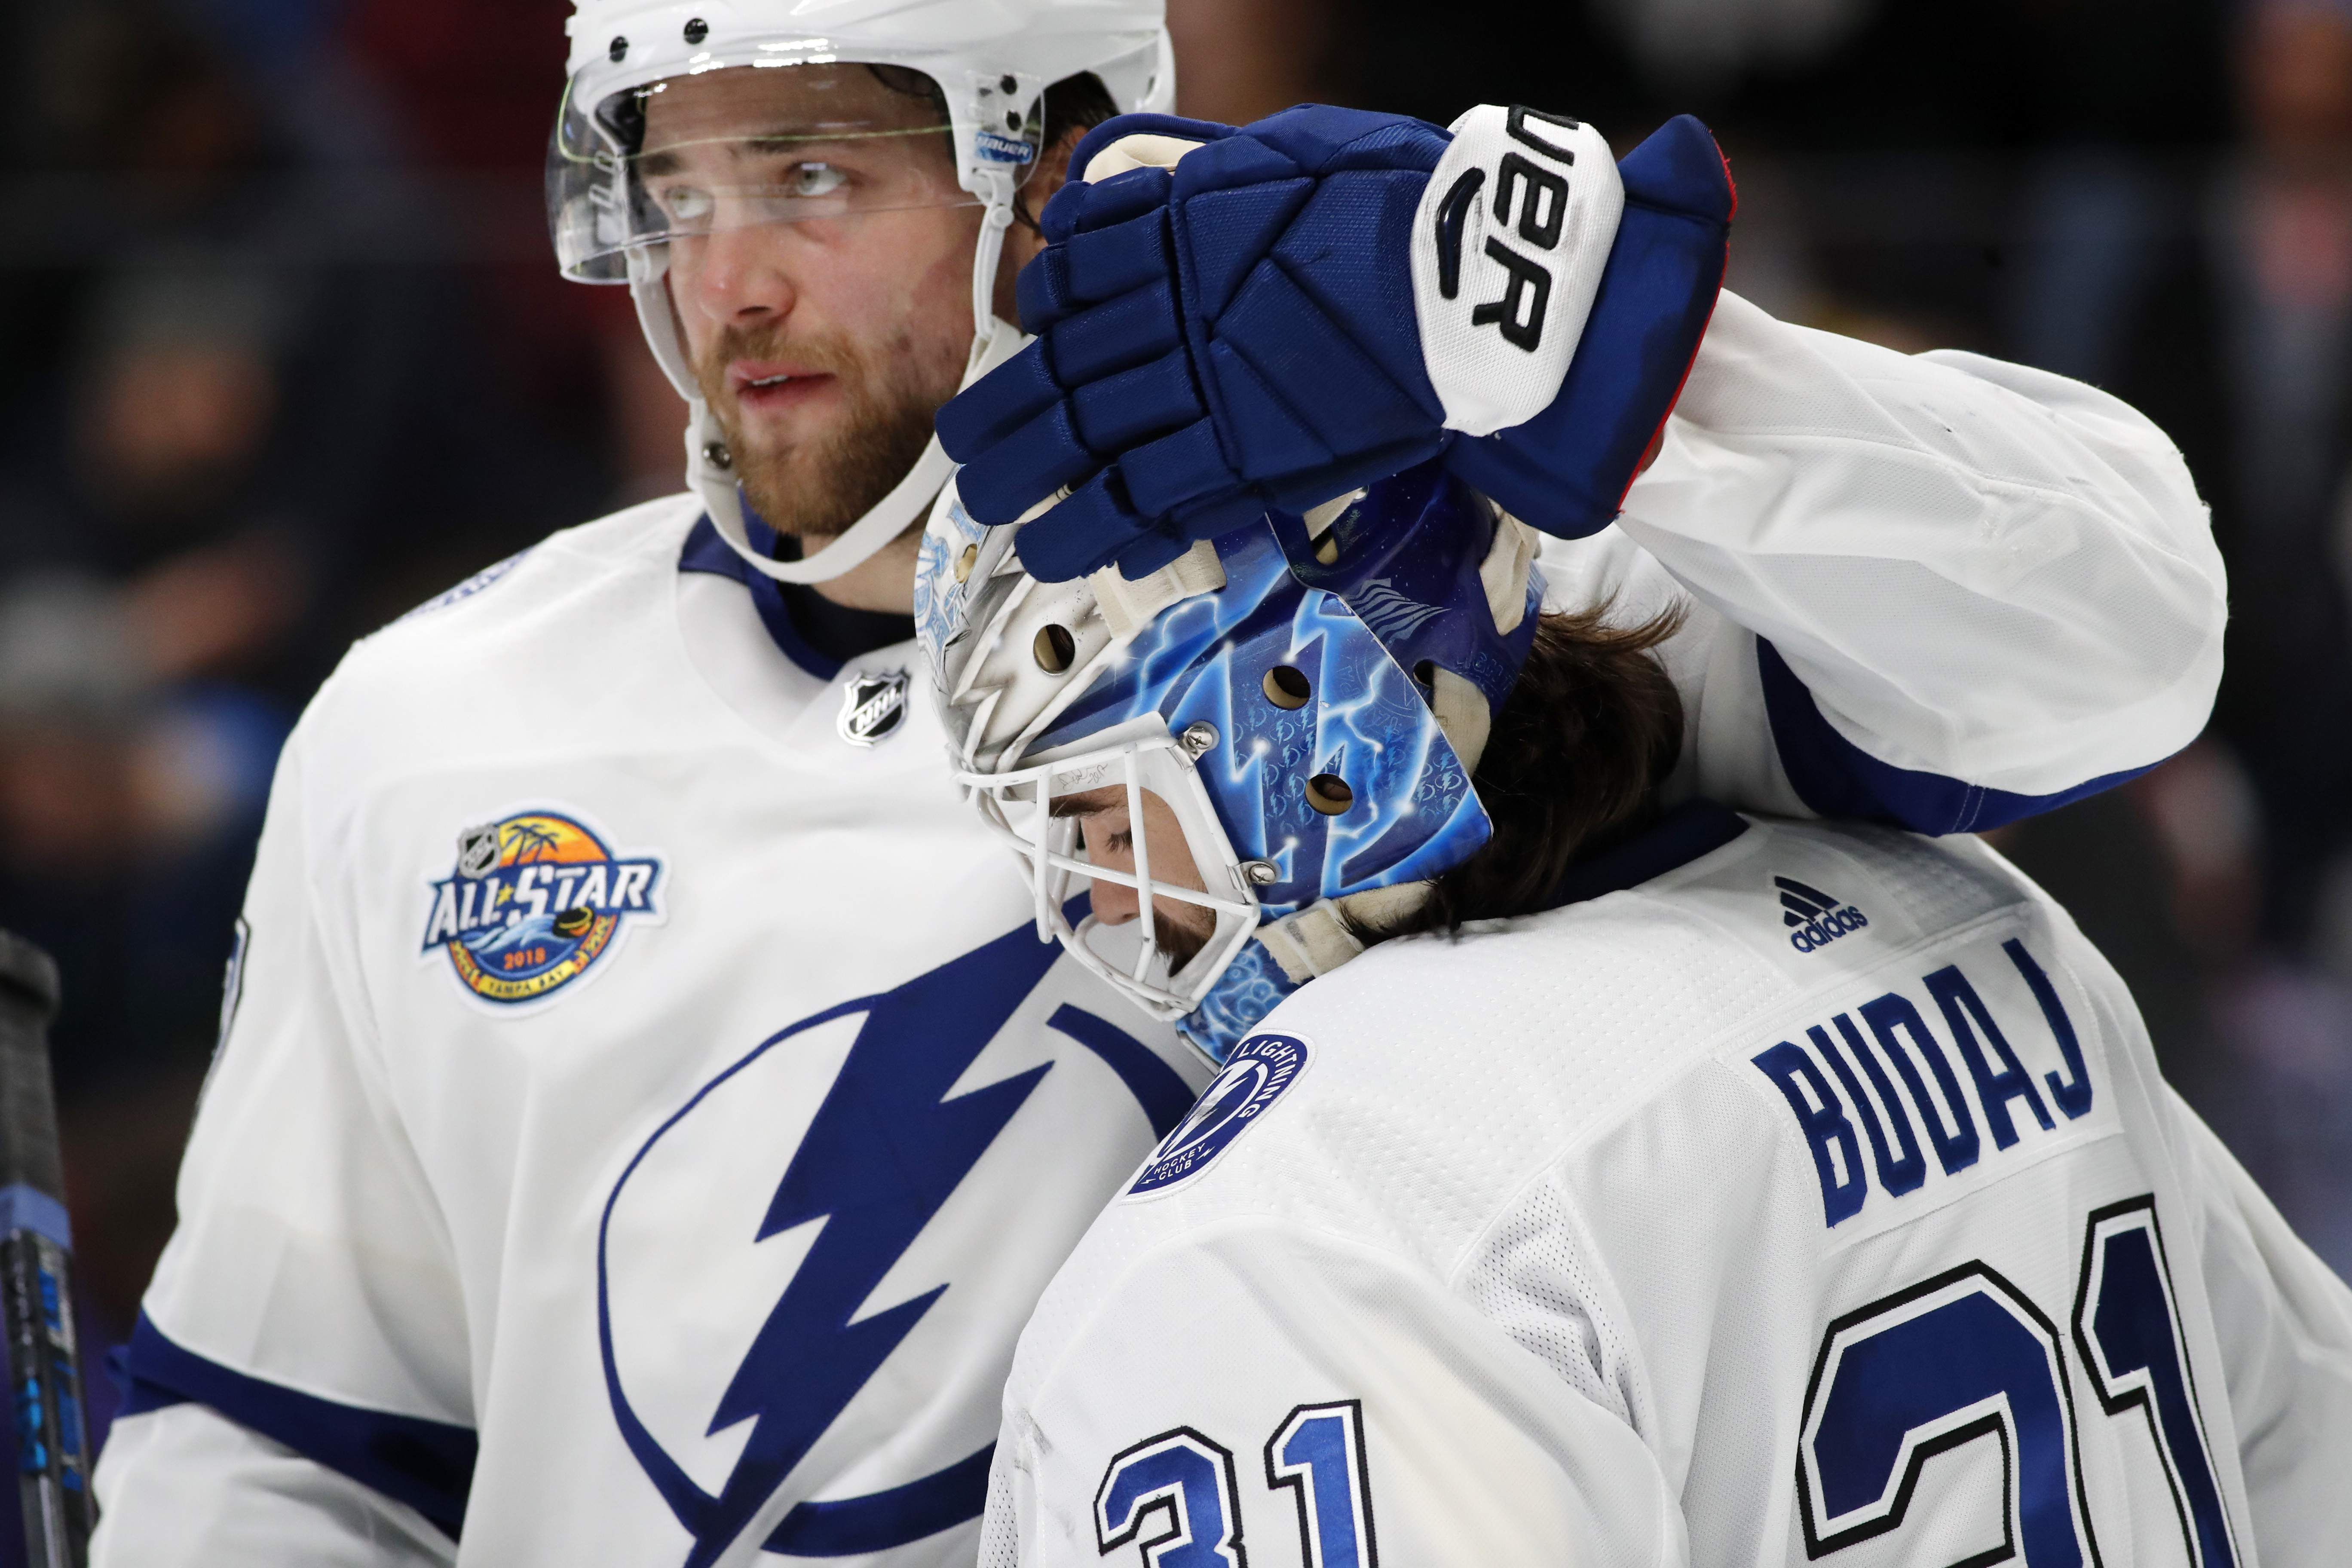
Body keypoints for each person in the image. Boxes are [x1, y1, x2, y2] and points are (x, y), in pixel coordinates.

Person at [91, 9, 2228, 1567]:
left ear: (1061, 157)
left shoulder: (1426, 571)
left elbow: (2116, 641)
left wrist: (1598, 349)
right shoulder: (428, 723)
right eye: (672, 185)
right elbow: (285, 1442)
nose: (723, 278)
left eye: (815, 176)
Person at [920, 442, 2352, 1568]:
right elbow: (2312, 1463)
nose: (1099, 902)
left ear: (1302, 742)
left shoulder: (1310, 1217)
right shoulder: (1984, 918)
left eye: (1105, 817)